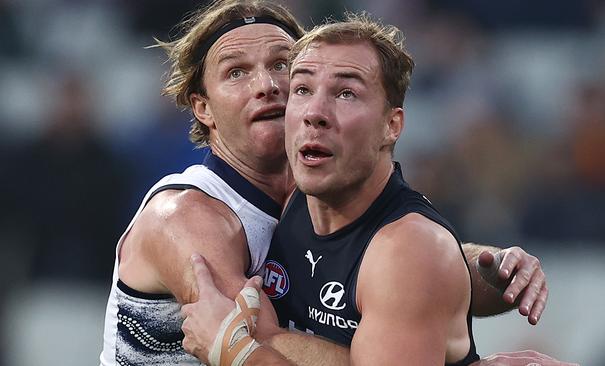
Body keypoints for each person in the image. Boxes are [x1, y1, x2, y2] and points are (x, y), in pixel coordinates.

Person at [100, 1, 548, 365]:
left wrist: (486, 268)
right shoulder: (186, 216)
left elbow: (396, 280)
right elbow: (249, 341)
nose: (267, 86)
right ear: (203, 109)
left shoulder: (310, 196)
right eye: (237, 72)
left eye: (282, 67)